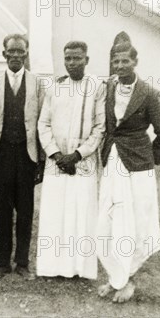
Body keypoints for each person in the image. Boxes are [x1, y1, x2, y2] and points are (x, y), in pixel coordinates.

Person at [97, 41, 160, 303]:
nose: (120, 66)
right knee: (108, 220)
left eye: (125, 61)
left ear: (135, 62)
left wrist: (150, 159)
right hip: (111, 162)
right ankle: (116, 277)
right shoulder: (107, 88)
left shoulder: (148, 93)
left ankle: (128, 279)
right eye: (116, 61)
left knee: (135, 222)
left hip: (138, 167)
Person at [36, 41, 106, 280]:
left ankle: (79, 267)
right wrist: (56, 155)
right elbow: (43, 124)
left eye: (77, 58)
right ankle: (52, 266)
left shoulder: (97, 87)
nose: (72, 63)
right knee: (55, 212)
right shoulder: (55, 88)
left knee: (81, 211)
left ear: (86, 59)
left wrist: (76, 156)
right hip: (56, 163)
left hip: (82, 163)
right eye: (68, 58)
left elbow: (100, 127)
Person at [0, 34, 46, 280]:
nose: (16, 57)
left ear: (26, 55)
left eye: (21, 53)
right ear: (4, 55)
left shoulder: (37, 84)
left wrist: (40, 160)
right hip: (2, 156)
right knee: (2, 210)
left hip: (27, 155)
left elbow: (42, 123)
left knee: (25, 210)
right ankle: (1, 262)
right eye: (12, 52)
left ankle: (22, 262)